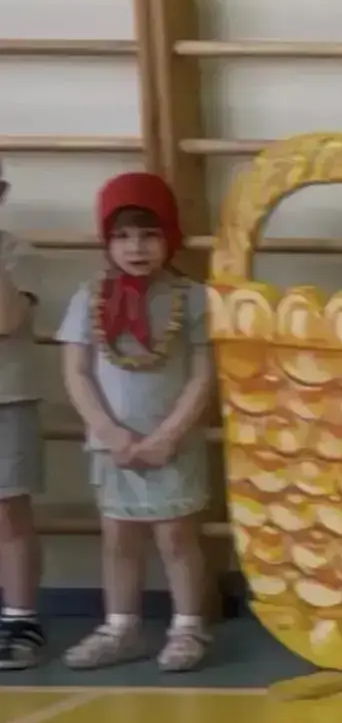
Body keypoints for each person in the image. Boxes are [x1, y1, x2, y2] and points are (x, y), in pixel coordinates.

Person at [58, 172, 214, 673]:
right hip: (113, 445)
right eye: (122, 236)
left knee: (176, 537)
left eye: (149, 234)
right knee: (118, 537)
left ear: (170, 235)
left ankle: (188, 626)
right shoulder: (89, 298)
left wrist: (168, 436)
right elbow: (77, 371)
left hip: (173, 443)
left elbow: (203, 375)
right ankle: (121, 626)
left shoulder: (193, 298)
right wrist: (109, 433)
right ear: (106, 242)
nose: (136, 247)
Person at [0, 160, 44, 670]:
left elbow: (8, 319)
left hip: (6, 398)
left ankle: (19, 619)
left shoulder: (17, 253)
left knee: (9, 512)